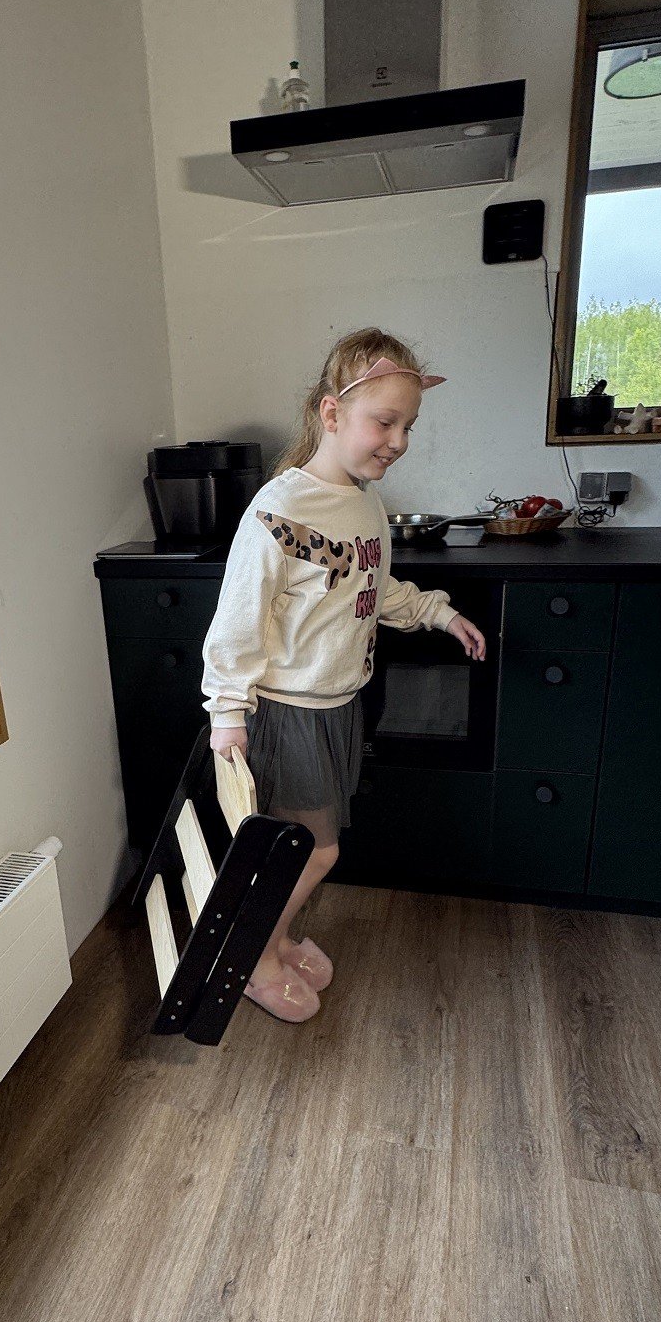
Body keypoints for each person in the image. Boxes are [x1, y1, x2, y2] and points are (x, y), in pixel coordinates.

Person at [201, 328, 486, 1022]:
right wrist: (227, 710)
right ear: (332, 415)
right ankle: (253, 956)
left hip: (337, 707)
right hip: (288, 712)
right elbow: (238, 617)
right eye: (384, 421)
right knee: (314, 852)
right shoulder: (280, 509)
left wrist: (436, 614)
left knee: (306, 846)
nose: (399, 440)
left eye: (408, 425)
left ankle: (280, 934)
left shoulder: (364, 503)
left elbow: (376, 585)